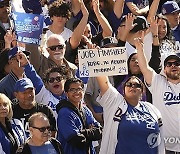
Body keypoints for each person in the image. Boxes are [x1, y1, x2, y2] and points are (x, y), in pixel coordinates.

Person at [135, 31, 180, 153]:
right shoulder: (158, 83)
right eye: (169, 64)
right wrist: (140, 48)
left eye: (177, 63)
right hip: (165, 146)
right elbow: (144, 68)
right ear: (164, 70)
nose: (173, 66)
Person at [95, 75, 164, 154]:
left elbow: (160, 139)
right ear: (123, 89)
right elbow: (103, 79)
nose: (133, 87)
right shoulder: (115, 103)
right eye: (129, 84)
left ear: (142, 91)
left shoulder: (152, 109)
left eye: (137, 85)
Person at [56, 78, 102, 154]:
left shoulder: (85, 110)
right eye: (72, 90)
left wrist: (82, 132)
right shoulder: (64, 113)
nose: (76, 92)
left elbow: (99, 131)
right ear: (66, 93)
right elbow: (76, 140)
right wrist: (90, 132)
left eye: (79, 89)